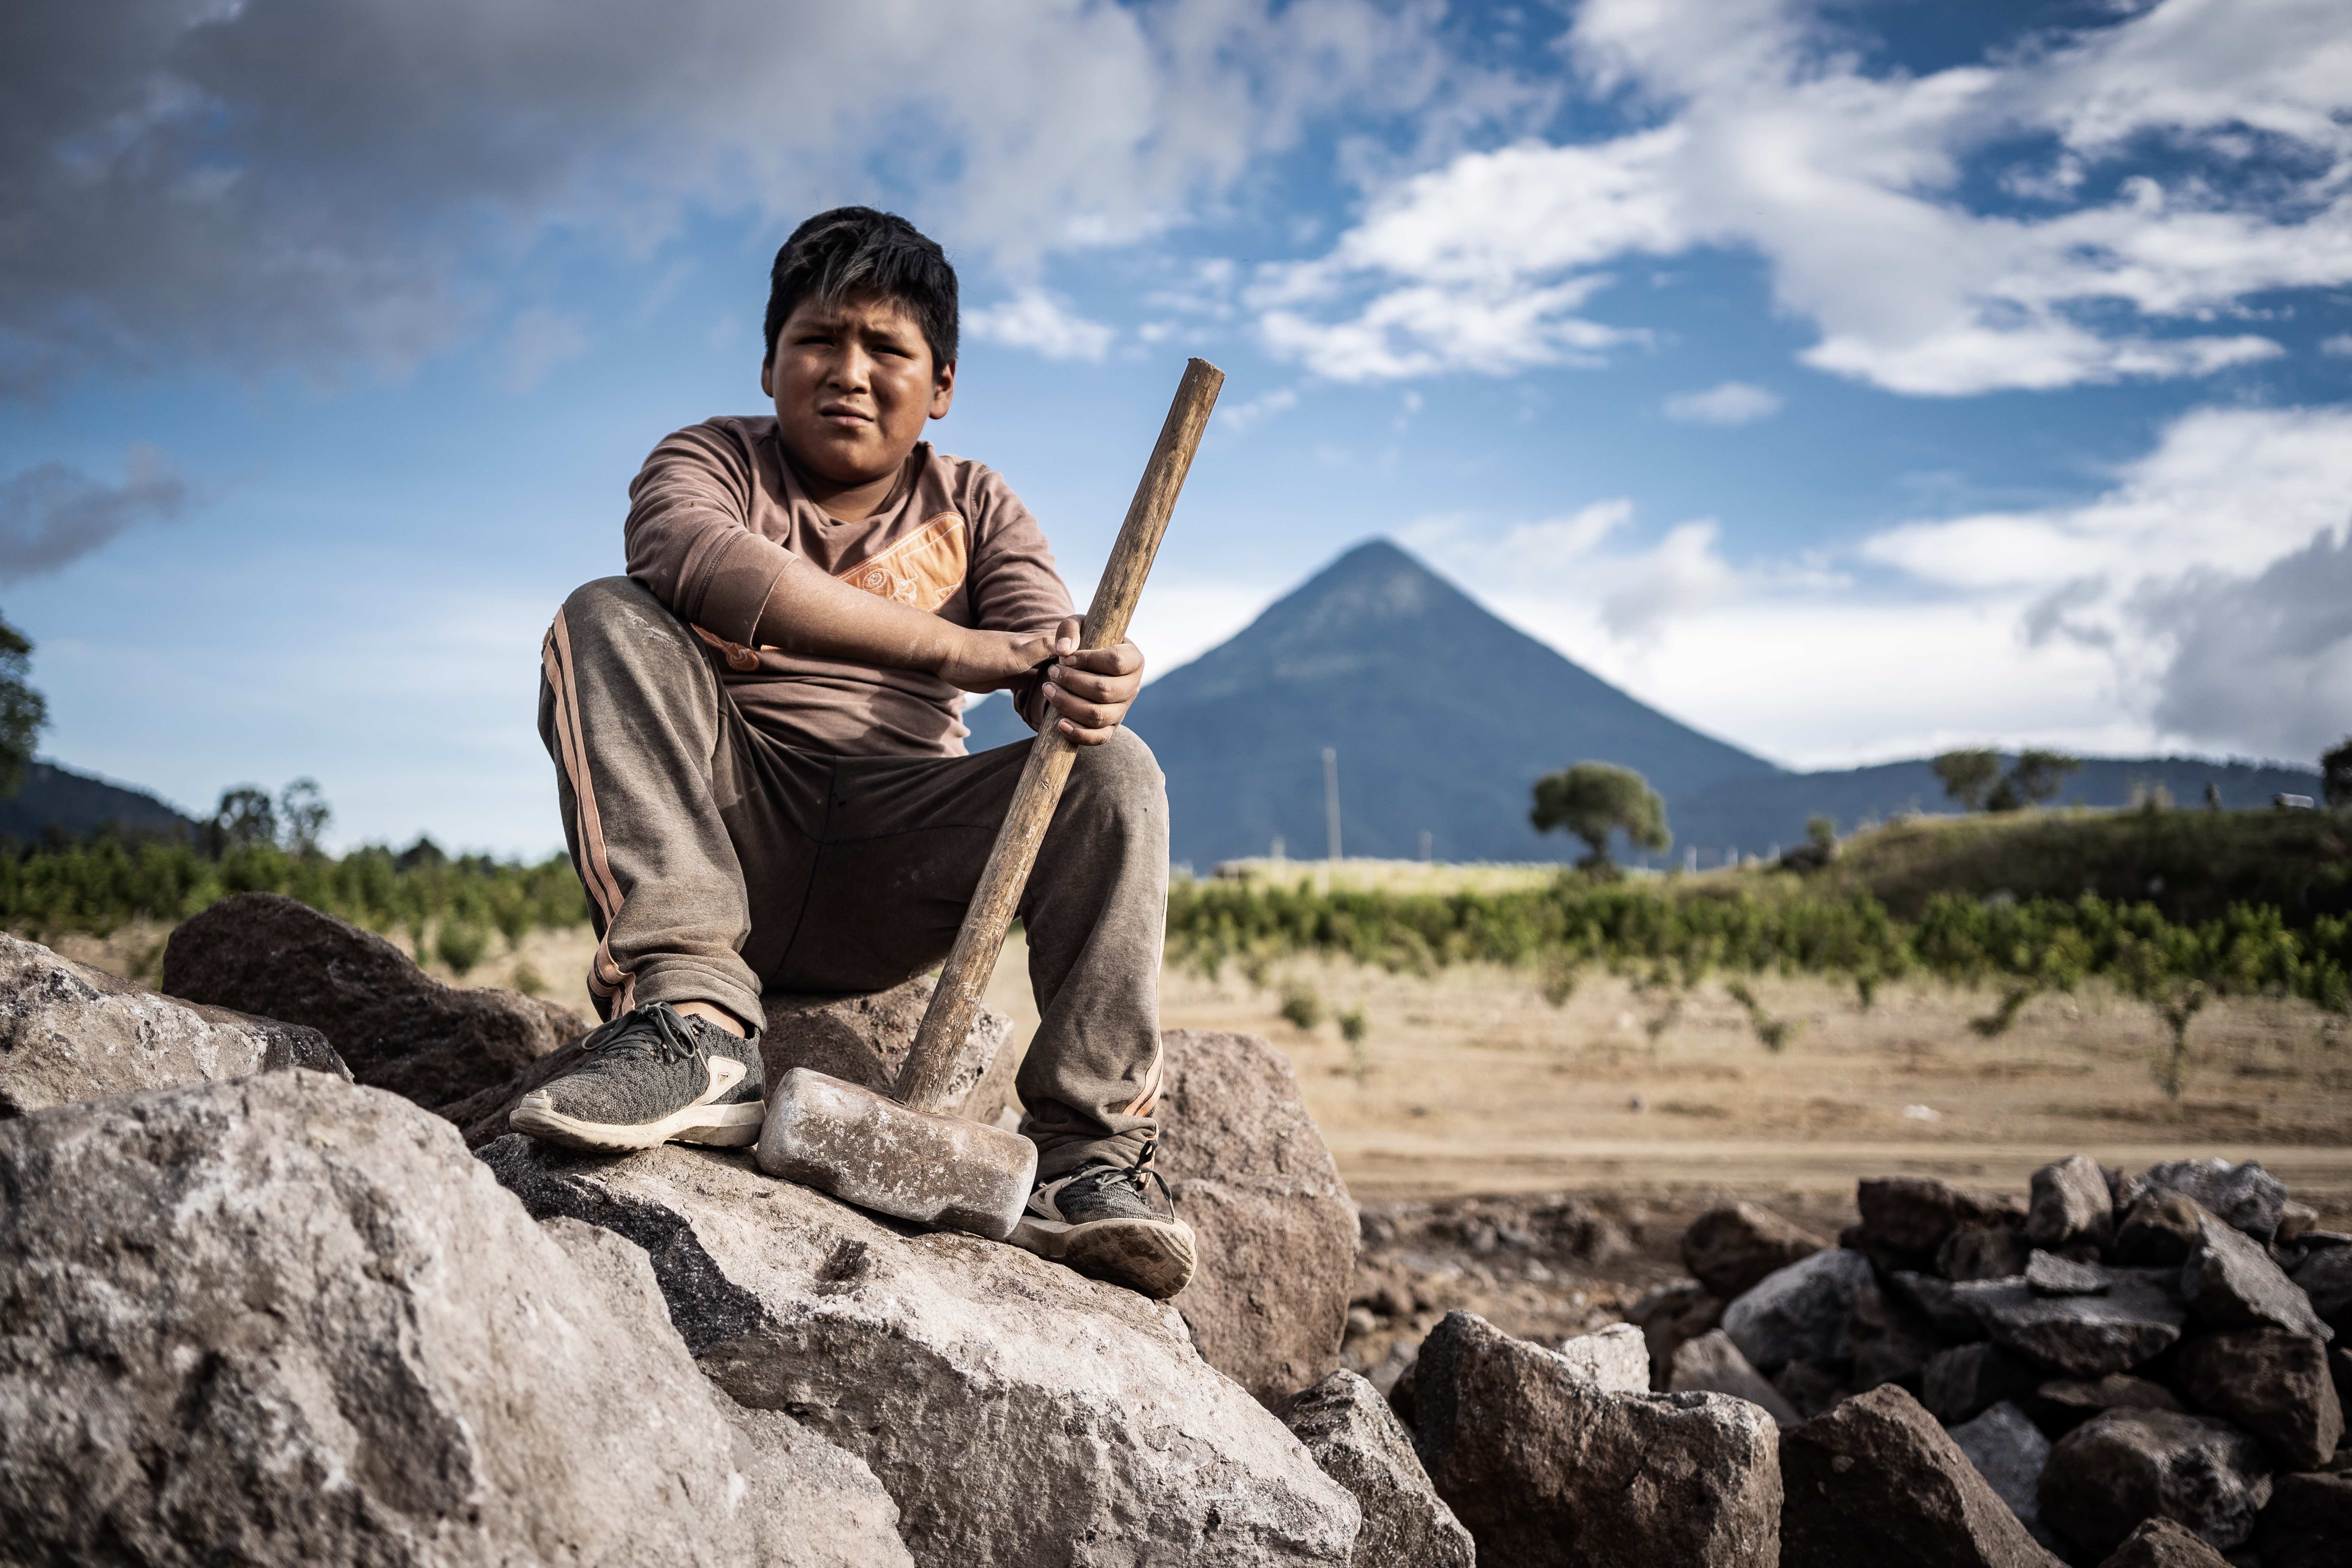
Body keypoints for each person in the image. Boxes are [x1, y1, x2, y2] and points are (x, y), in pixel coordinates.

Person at [508, 206, 1193, 1299]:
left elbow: (1041, 648)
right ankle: (695, 1025)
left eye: (889, 349)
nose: (850, 372)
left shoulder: (975, 503)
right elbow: (699, 561)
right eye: (820, 340)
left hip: (899, 862)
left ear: (943, 385)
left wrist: (1075, 673)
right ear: (771, 361)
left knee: (1115, 771)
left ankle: (1086, 1156)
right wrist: (965, 648)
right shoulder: (710, 462)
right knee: (601, 615)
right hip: (729, 833)